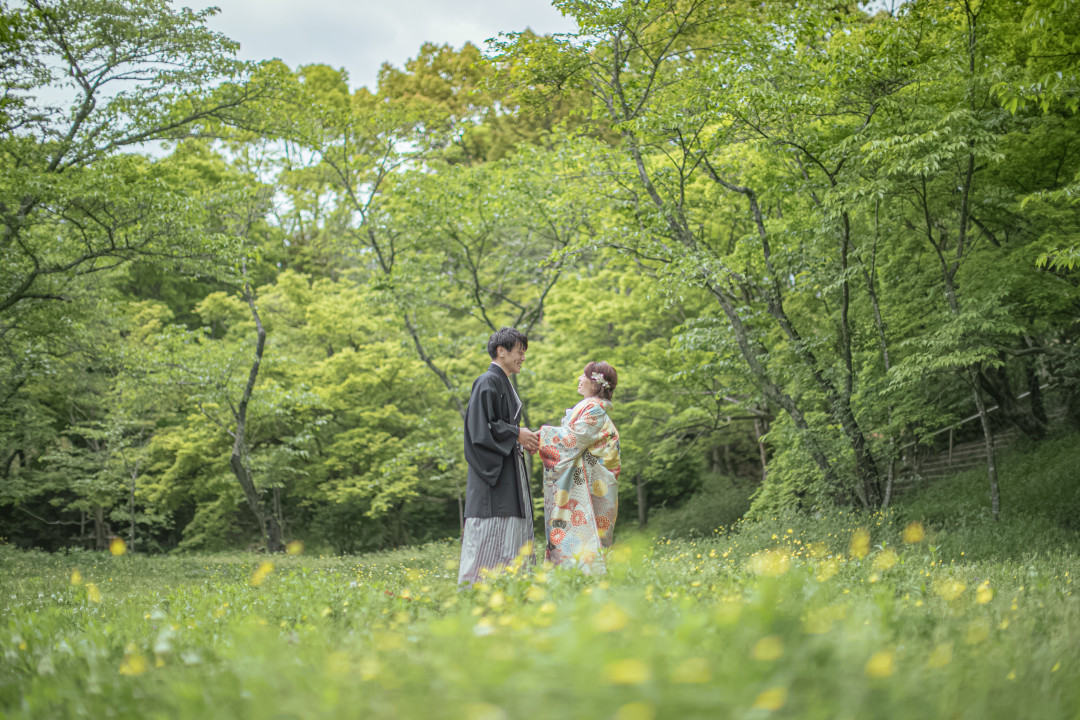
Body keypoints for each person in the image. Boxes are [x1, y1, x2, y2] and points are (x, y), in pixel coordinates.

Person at [459, 327, 539, 586]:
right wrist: (516, 433)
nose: (523, 358)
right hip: (493, 479)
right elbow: (478, 428)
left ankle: (510, 589)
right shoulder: (487, 381)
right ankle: (479, 590)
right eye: (519, 352)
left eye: (524, 353)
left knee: (510, 533)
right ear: (501, 351)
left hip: (508, 470)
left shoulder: (501, 381)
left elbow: (496, 426)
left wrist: (521, 436)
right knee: (490, 534)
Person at [538, 361, 621, 574]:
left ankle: (582, 579)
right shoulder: (589, 407)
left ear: (596, 384)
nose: (579, 379)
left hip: (591, 483)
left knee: (586, 530)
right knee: (581, 532)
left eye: (584, 376)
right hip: (591, 480)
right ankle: (578, 578)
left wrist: (539, 437)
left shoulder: (594, 407)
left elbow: (574, 439)